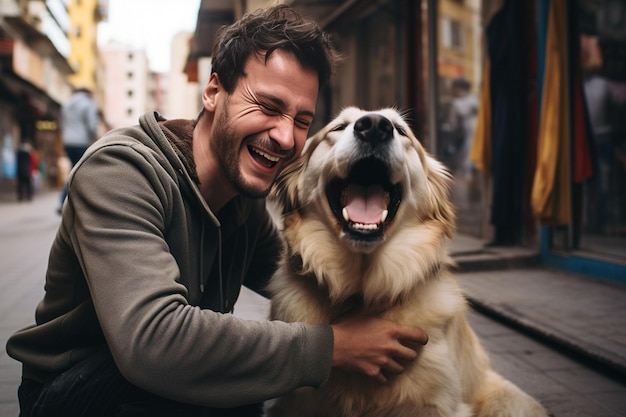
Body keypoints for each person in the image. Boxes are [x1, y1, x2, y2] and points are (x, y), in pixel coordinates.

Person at [6, 5, 428, 417]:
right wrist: (335, 346)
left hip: (155, 386)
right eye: (268, 106)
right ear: (212, 92)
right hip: (74, 393)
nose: (285, 136)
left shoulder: (243, 204)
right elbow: (152, 343)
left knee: (243, 389)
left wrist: (397, 270)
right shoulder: (119, 172)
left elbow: (303, 276)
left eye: (302, 119)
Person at [57, 86, 98, 213]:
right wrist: (95, 139)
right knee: (81, 172)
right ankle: (76, 202)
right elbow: (91, 125)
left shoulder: (67, 104)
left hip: (68, 142)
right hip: (81, 141)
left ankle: (65, 201)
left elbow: (61, 123)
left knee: (74, 170)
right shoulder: (88, 103)